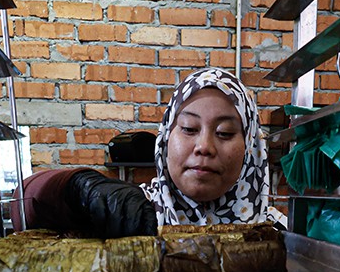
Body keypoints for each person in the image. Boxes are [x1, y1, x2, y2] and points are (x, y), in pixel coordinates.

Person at [24, 67, 284, 237]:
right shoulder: (133, 213)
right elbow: (26, 200)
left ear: (250, 148)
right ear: (165, 139)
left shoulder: (276, 233)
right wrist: (78, 187)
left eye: (225, 133)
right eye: (189, 128)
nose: (204, 146)